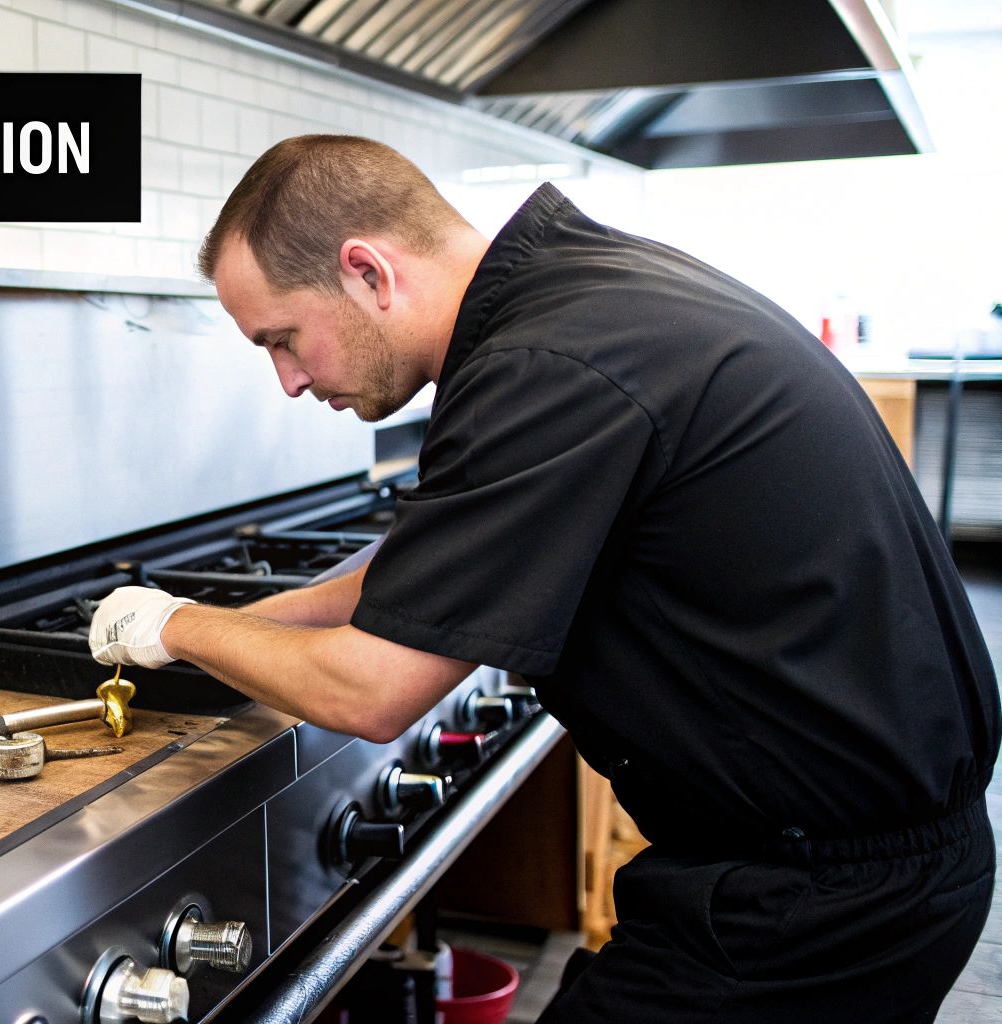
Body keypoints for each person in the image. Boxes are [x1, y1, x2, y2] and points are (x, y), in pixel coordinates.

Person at [88, 135, 998, 1022]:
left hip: (819, 901)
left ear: (367, 272)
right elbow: (425, 567)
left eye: (281, 339)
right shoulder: (574, 299)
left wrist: (173, 626)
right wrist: (269, 621)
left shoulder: (542, 365)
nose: (286, 380)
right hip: (849, 865)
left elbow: (371, 694)